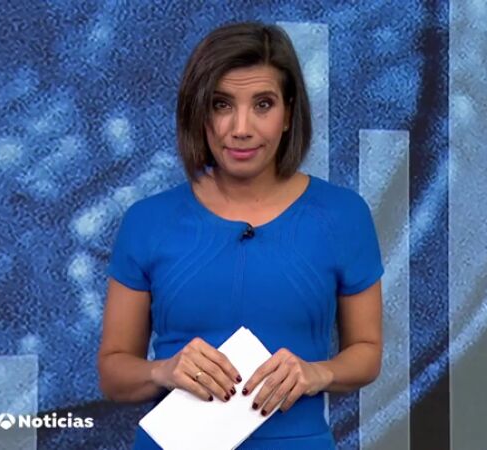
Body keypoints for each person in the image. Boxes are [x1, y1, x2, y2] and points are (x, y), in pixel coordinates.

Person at [97, 22, 384, 449]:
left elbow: (367, 351)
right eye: (221, 105)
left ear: (289, 114)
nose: (241, 128)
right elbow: (113, 372)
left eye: (263, 104)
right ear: (199, 113)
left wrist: (317, 372)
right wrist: (162, 370)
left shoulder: (343, 215)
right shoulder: (148, 221)